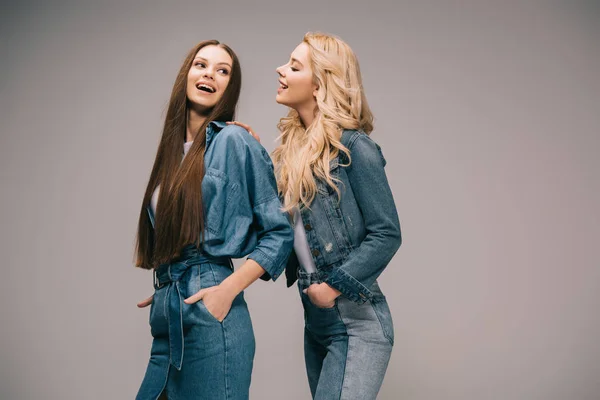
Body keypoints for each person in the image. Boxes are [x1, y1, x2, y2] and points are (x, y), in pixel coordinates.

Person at [229, 32, 402, 399]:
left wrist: (333, 286)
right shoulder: (292, 154)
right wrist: (245, 149)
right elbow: (270, 228)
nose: (280, 70)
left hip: (357, 323)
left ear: (321, 83)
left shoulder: (355, 148)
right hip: (317, 323)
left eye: (294, 66)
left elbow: (387, 233)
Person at [134, 40, 293, 400]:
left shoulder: (235, 140)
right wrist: (170, 281)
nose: (209, 74)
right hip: (169, 313)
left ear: (229, 87)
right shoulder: (173, 156)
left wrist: (225, 290)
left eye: (223, 71)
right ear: (186, 75)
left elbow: (279, 234)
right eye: (201, 65)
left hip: (212, 320)